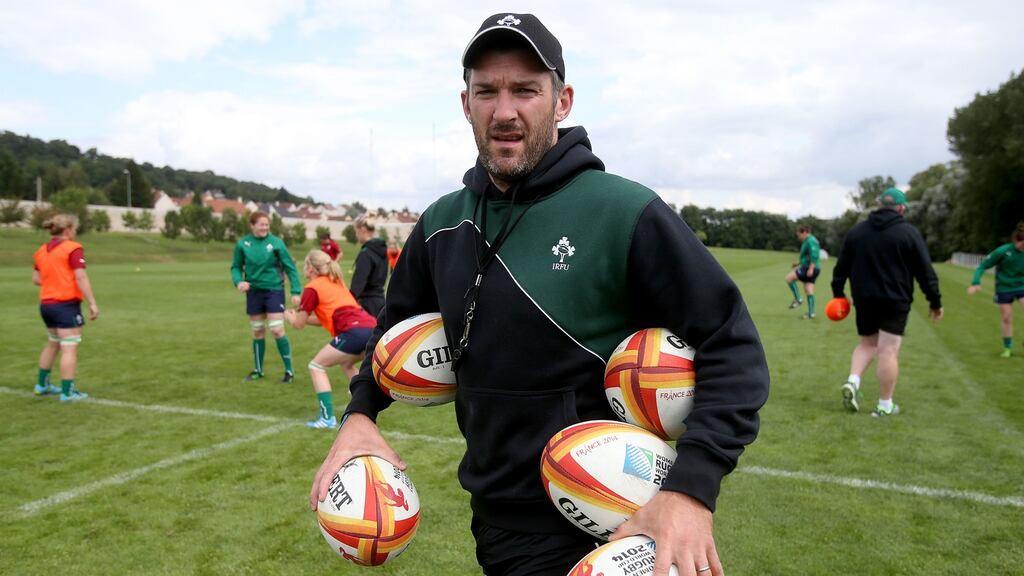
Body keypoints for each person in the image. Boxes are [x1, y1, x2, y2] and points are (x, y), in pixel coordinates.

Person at [309, 13, 768, 576]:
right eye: (488, 91)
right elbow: (391, 331)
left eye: (525, 89)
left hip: (618, 524)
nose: (505, 111)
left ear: (562, 100)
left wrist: (692, 489)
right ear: (465, 103)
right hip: (497, 523)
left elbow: (731, 344)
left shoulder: (622, 212)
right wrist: (360, 412)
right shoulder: (440, 225)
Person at [832, 187, 943, 417]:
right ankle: (884, 405)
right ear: (901, 208)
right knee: (888, 351)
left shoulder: (857, 231)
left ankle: (853, 381)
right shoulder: (909, 233)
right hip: (895, 300)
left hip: (864, 299)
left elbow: (841, 267)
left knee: (867, 344)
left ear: (880, 205)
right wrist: (935, 301)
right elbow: (925, 272)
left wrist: (838, 293)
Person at [284, 250, 377, 429]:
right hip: (371, 328)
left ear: (310, 268)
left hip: (354, 332)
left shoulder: (312, 288)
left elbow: (299, 324)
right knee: (346, 364)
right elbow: (322, 318)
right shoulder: (337, 282)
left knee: (316, 366)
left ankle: (327, 418)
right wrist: (299, 316)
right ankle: (364, 403)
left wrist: (290, 317)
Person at [32, 214, 99, 402]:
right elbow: (81, 277)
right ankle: (67, 393)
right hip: (65, 305)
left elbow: (36, 279)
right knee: (69, 348)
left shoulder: (41, 251)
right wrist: (92, 302)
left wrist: (54, 279)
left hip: (46, 305)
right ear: (68, 230)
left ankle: (41, 385)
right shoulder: (73, 248)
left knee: (53, 343)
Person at [230, 211, 302, 383]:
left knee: (277, 329)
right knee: (258, 331)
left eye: (267, 224)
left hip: (274, 290)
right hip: (253, 292)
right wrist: (239, 281)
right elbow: (235, 267)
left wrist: (296, 291)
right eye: (261, 224)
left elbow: (290, 267)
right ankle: (258, 370)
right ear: (252, 225)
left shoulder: (276, 243)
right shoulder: (243, 244)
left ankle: (289, 372)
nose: (265, 228)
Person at [967, 223, 1024, 357]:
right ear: (1016, 241)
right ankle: (1007, 348)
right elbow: (982, 266)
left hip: (1022, 286)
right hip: (1004, 288)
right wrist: (975, 282)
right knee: (1006, 318)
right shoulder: (1003, 251)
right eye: (1022, 244)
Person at [349, 215, 388, 318]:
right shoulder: (383, 251)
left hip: (367, 305)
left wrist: (349, 302)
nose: (356, 235)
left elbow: (359, 282)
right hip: (380, 302)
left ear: (362, 229)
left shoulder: (366, 253)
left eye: (356, 231)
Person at [784, 224, 821, 319]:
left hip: (809, 267)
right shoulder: (807, 241)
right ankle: (811, 313)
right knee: (809, 289)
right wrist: (798, 264)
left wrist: (811, 268)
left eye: (799, 235)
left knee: (789, 278)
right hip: (811, 267)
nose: (798, 237)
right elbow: (807, 256)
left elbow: (814, 255)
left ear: (804, 232)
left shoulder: (811, 241)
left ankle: (798, 299)